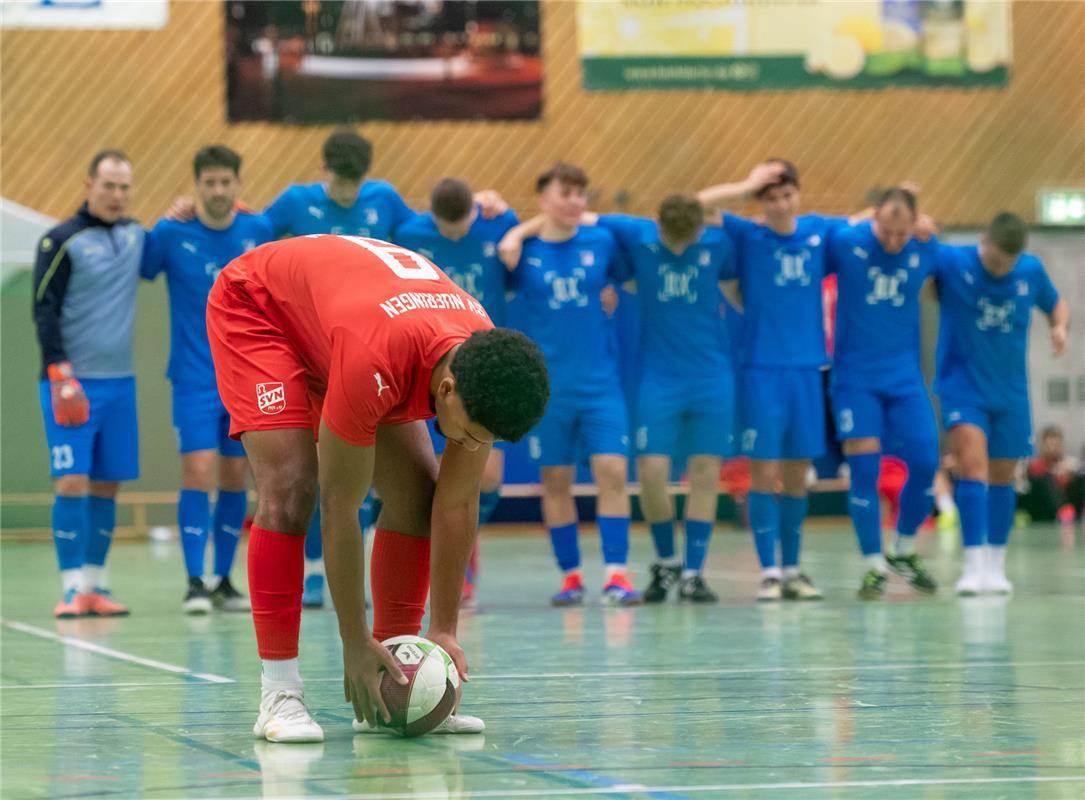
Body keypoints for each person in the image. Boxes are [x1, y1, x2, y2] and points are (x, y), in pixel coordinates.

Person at [206, 233, 548, 742]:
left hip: (346, 321)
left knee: (417, 493)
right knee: (292, 487)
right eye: (475, 435)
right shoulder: (376, 360)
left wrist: (444, 629)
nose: (477, 446)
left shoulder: (483, 362)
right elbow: (342, 505)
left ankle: (396, 678)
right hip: (260, 308)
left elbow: (455, 503)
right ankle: (279, 695)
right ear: (448, 390)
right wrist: (352, 638)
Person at [697, 159, 850, 601]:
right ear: (760, 202)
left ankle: (794, 568)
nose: (781, 204)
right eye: (771, 197)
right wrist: (746, 184)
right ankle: (768, 570)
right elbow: (696, 205)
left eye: (787, 195)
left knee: (797, 475)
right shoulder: (748, 235)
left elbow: (866, 226)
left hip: (806, 370)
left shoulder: (820, 231)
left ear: (798, 195)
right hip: (762, 369)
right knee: (763, 471)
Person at [580, 195, 737, 603]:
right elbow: (579, 216)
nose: (680, 249)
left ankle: (694, 573)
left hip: (711, 376)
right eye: (672, 241)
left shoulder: (718, 243)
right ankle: (667, 562)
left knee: (705, 472)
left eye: (689, 241)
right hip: (659, 378)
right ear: (656, 224)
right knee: (651, 474)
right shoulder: (637, 234)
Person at [499, 162, 641, 606]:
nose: (576, 202)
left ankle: (617, 573)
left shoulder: (601, 242)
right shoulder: (521, 253)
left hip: (600, 382)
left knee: (613, 472)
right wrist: (519, 234)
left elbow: (622, 280)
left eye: (582, 194)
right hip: (549, 387)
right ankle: (570, 575)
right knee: (555, 479)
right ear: (544, 197)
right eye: (566, 193)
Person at [141, 145, 275, 614]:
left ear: (237, 186)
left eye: (225, 182)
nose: (217, 190)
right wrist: (163, 217)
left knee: (237, 475)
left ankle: (223, 580)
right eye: (209, 183)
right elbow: (141, 267)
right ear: (196, 186)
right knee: (197, 472)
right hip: (194, 379)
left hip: (243, 378)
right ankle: (194, 581)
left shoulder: (258, 231)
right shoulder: (171, 233)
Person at [394, 177, 520, 606]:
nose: (454, 236)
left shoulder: (498, 222)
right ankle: (445, 564)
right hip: (429, 364)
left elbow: (530, 238)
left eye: (461, 226)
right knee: (427, 478)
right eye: (445, 229)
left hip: (485, 364)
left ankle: (466, 550)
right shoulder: (410, 233)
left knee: (487, 477)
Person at [933, 212, 1070, 594]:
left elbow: (1056, 305)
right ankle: (972, 564)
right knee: (972, 466)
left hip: (1010, 392)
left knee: (1003, 476)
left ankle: (995, 564)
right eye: (994, 260)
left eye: (1006, 263)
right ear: (985, 241)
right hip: (963, 387)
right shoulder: (954, 261)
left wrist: (1059, 326)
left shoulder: (1030, 271)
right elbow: (918, 256)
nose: (999, 268)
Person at [33, 150, 143, 618]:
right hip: (70, 384)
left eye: (124, 187)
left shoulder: (138, 236)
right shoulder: (59, 241)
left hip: (121, 385)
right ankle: (72, 588)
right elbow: (42, 307)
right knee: (73, 481)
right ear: (88, 185)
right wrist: (59, 369)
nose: (116, 195)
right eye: (108, 186)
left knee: (107, 486)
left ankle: (96, 586)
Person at [825, 188, 941, 599]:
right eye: (887, 231)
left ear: (915, 224)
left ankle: (904, 548)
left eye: (902, 233)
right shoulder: (847, 242)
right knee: (864, 472)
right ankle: (872, 563)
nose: (893, 241)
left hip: (905, 378)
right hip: (855, 379)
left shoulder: (926, 247)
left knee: (926, 461)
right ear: (874, 218)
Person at [1017, 425, 1078, 523]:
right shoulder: (1032, 465)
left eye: (1056, 445)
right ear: (1043, 446)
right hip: (1043, 510)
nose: (1053, 449)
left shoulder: (1069, 464)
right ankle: (1062, 512)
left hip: (1070, 508)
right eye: (1050, 445)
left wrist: (1070, 474)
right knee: (1044, 479)